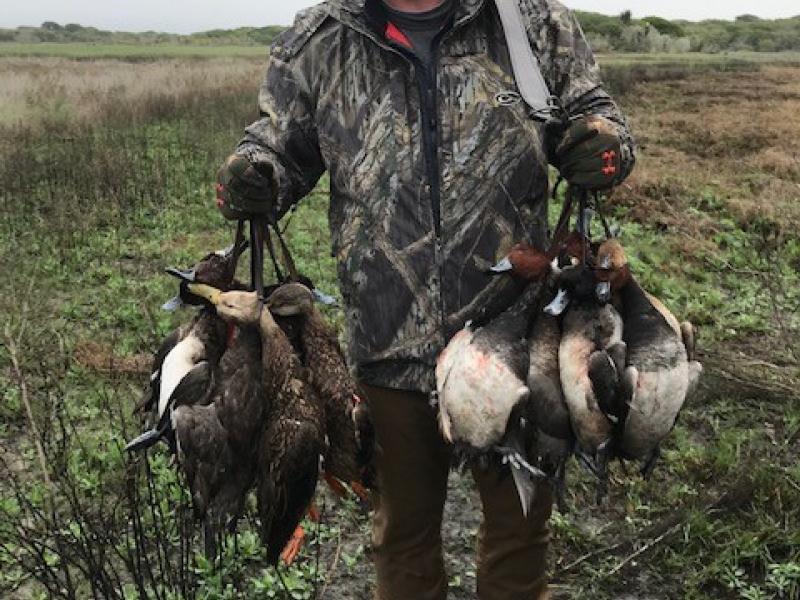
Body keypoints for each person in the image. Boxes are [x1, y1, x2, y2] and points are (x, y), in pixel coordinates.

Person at [215, 0, 635, 597]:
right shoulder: (323, 38)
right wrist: (254, 173)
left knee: (520, 536)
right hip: (389, 338)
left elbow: (601, 119)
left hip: (516, 342)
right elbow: (278, 147)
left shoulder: (531, 23)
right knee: (404, 539)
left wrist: (604, 146)